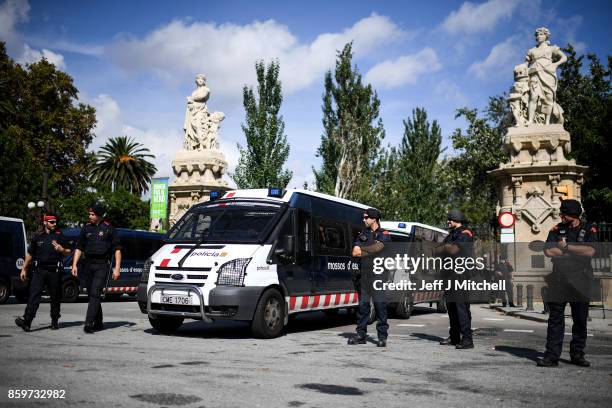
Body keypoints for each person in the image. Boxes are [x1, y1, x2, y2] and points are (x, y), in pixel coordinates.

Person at [537, 199, 597, 368]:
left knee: (580, 320)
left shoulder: (588, 229)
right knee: (555, 319)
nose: (561, 216)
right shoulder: (556, 229)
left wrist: (566, 247)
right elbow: (549, 251)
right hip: (559, 280)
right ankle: (551, 356)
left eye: (564, 214)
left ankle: (577, 355)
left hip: (581, 280)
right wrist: (576, 251)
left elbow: (590, 251)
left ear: (574, 215)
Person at [71, 203, 122, 333]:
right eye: (89, 214)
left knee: (95, 293)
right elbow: (79, 247)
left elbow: (117, 250)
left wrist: (117, 268)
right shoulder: (86, 228)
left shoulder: (109, 229)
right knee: (91, 294)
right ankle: (98, 322)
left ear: (99, 215)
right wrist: (74, 264)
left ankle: (89, 322)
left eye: (92, 214)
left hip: (101, 265)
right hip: (87, 265)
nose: (90, 216)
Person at [15, 213, 71, 331]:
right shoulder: (38, 236)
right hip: (39, 271)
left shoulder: (60, 235)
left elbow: (68, 252)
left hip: (54, 271)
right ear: (45, 222)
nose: (54, 224)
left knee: (55, 297)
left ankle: (54, 321)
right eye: (51, 222)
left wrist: (62, 250)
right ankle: (27, 321)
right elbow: (30, 254)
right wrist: (24, 268)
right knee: (34, 296)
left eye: (55, 222)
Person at [347, 208, 390, 347]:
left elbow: (380, 248)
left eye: (366, 218)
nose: (363, 220)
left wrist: (364, 249)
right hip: (364, 275)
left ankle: (382, 337)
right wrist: (371, 249)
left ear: (374, 219)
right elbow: (355, 252)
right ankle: (361, 335)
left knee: (380, 306)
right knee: (363, 306)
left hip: (378, 275)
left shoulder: (384, 234)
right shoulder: (362, 234)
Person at [436, 209, 474, 349]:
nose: (448, 221)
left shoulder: (465, 233)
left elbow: (453, 250)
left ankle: (467, 339)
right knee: (451, 307)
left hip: (460, 275)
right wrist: (446, 247)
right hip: (449, 274)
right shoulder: (451, 234)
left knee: (461, 307)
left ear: (457, 219)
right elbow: (436, 251)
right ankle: (454, 337)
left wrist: (445, 248)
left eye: (450, 219)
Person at [525, 27, 567, 125]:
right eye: (537, 35)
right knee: (533, 97)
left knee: (549, 98)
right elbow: (525, 65)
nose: (539, 36)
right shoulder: (532, 50)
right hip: (535, 73)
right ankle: (530, 120)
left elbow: (564, 57)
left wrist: (555, 64)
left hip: (549, 74)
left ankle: (547, 122)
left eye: (541, 34)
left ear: (546, 36)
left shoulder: (552, 48)